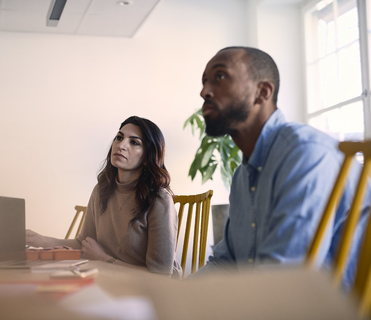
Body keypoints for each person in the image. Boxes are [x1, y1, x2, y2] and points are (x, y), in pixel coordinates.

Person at [192, 46, 369, 290]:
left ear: (262, 92)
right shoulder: (241, 177)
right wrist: (163, 300)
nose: (204, 92)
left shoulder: (306, 154)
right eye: (204, 81)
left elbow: (285, 280)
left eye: (220, 77)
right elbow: (225, 263)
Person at [26, 116, 182, 278]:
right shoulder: (101, 190)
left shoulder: (159, 200)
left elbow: (160, 277)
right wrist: (40, 240)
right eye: (119, 137)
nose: (121, 145)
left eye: (134, 142)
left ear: (147, 157)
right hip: (110, 280)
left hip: (152, 292)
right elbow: (82, 244)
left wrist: (105, 259)